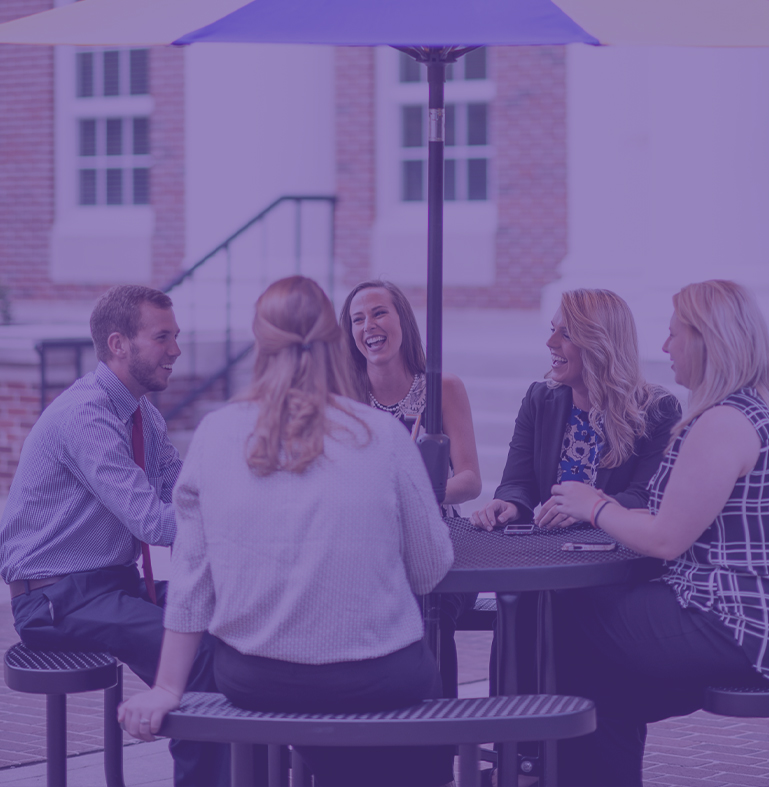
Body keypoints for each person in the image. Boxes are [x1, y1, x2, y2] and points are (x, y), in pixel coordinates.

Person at [118, 276, 455, 787]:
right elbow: (431, 571)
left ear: (261, 343)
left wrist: (168, 686)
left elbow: (190, 580)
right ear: (333, 340)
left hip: (257, 677)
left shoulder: (215, 434)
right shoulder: (383, 434)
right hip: (379, 676)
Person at [551, 280, 769, 787]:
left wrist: (592, 505)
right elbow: (677, 523)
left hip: (747, 624)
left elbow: (665, 539)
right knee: (604, 690)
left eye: (673, 333)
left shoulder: (724, 421)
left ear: (706, 340)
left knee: (567, 610)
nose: (664, 347)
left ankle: (532, 757)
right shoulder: (768, 412)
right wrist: (611, 511)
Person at [0, 285, 227, 787]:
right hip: (55, 597)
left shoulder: (141, 412)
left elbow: (181, 487)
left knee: (228, 619)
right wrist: (236, 523)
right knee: (195, 653)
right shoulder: (86, 413)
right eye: (162, 337)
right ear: (120, 343)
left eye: (177, 336)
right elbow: (152, 520)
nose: (176, 350)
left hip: (109, 585)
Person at [468, 288, 680, 707]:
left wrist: (587, 508)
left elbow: (646, 495)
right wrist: (510, 504)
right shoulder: (540, 398)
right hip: (545, 561)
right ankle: (522, 751)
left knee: (562, 614)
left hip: (611, 568)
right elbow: (518, 481)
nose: (551, 345)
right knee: (521, 606)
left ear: (599, 343)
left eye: (565, 335)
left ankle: (575, 745)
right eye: (552, 332)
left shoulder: (658, 408)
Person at [340, 279, 482, 697]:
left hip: (436, 542)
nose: (369, 325)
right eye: (358, 318)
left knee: (425, 607)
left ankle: (438, 738)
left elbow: (471, 480)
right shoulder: (342, 397)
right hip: (365, 547)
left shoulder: (443, 388)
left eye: (379, 313)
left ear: (402, 320)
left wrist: (418, 490)